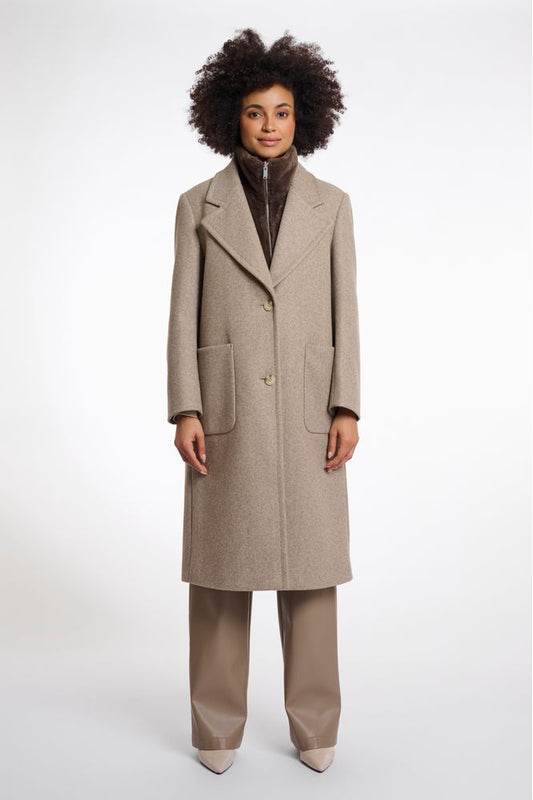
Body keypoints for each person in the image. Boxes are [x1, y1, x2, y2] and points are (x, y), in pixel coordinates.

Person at [166, 28, 361, 774]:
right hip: (227, 413)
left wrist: (346, 405)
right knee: (220, 572)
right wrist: (186, 406)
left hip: (309, 411)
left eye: (281, 111)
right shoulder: (197, 205)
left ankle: (316, 725)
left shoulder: (333, 206)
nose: (269, 125)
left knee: (311, 574)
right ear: (231, 117)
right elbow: (182, 313)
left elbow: (346, 312)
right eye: (255, 112)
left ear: (303, 116)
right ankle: (216, 729)